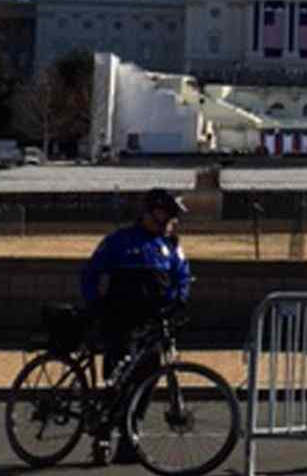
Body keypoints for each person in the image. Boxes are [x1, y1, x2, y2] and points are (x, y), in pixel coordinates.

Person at [80, 188, 192, 465]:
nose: (171, 222)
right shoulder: (120, 240)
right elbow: (91, 272)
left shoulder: (171, 246)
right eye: (168, 215)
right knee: (115, 381)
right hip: (119, 322)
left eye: (174, 218)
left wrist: (178, 301)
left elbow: (183, 278)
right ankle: (103, 437)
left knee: (148, 379)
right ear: (151, 212)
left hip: (153, 324)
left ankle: (131, 435)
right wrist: (95, 303)